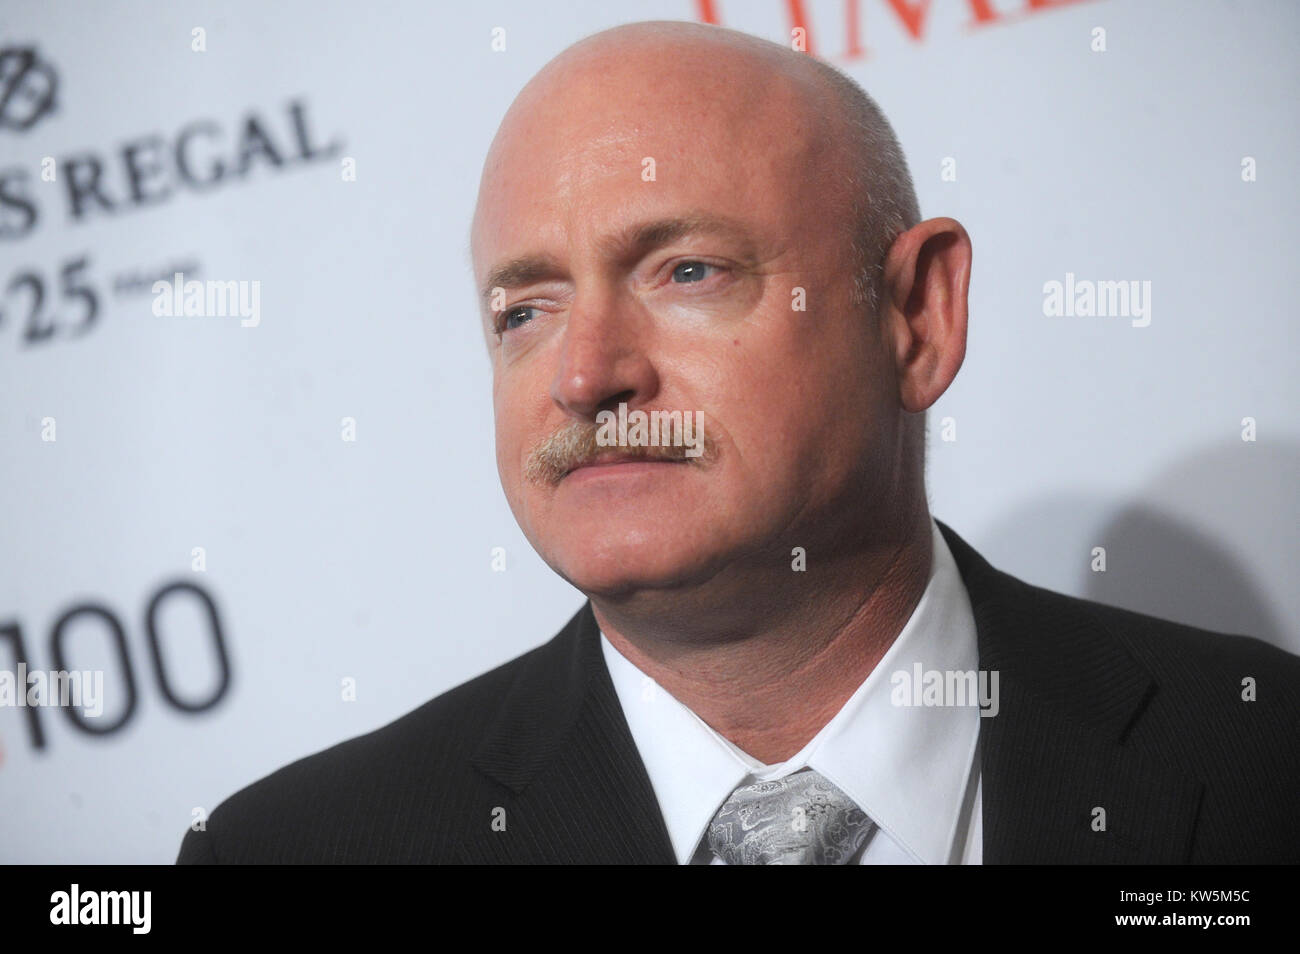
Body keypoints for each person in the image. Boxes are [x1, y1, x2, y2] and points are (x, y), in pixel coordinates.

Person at [177, 20, 1300, 865]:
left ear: (917, 317)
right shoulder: (297, 852)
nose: (584, 375)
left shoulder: (1263, 762)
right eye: (526, 309)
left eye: (688, 272)